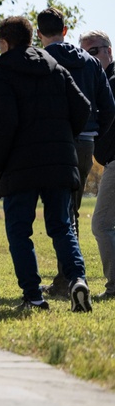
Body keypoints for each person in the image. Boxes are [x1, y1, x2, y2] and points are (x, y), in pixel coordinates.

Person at [0, 16, 92, 312]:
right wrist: (62, 136)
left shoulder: (3, 72)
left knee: (20, 230)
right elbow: (83, 107)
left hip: (21, 165)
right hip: (59, 161)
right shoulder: (55, 68)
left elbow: (5, 123)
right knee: (61, 226)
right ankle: (77, 279)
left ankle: (33, 296)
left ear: (6, 42)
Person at [37, 7, 115, 298]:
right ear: (66, 30)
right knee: (72, 211)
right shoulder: (89, 63)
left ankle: (69, 279)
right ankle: (69, 277)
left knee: (60, 214)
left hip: (52, 145)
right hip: (85, 143)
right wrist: (94, 133)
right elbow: (109, 108)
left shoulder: (40, 60)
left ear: (39, 33)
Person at [82, 30, 115, 301]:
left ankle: (114, 287)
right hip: (110, 163)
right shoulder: (102, 81)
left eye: (93, 51)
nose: (88, 58)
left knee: (101, 225)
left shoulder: (111, 82)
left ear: (108, 51)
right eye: (84, 53)